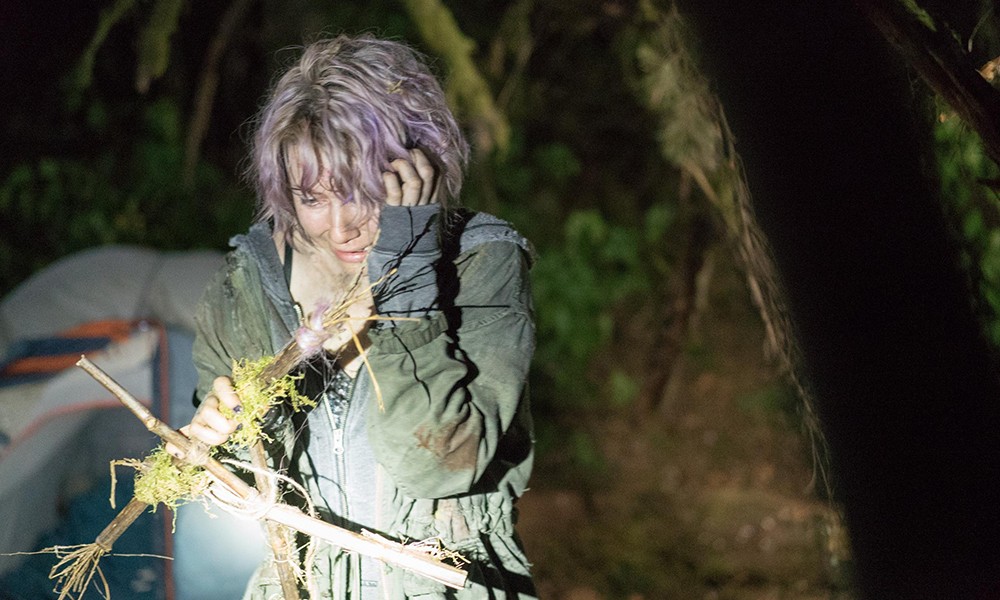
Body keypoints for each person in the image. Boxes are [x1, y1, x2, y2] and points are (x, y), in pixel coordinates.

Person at [182, 34, 537, 600]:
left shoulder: (478, 264)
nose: (340, 226)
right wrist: (217, 449)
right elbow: (243, 491)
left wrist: (407, 258)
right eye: (312, 198)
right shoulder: (247, 283)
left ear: (421, 166)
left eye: (361, 192)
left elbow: (437, 463)